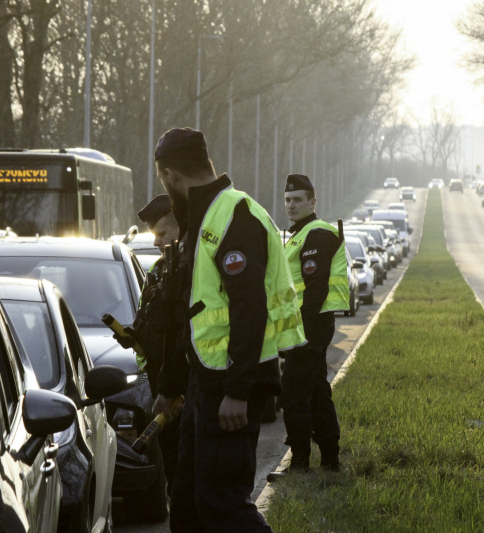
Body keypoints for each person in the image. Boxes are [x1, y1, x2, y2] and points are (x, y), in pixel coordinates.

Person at [152, 128, 305, 533]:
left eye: (163, 181)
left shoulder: (235, 215)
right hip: (203, 383)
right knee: (186, 504)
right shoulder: (198, 220)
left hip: (231, 386)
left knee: (221, 504)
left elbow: (249, 310)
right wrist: (169, 386)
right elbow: (188, 311)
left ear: (171, 176)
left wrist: (237, 391)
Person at [270, 174, 346, 478]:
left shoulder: (316, 234)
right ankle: (330, 460)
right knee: (315, 390)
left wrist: (298, 331)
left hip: (309, 325)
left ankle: (299, 462)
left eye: (298, 200)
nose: (291, 205)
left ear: (313, 202)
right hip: (306, 326)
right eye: (288, 200)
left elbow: (314, 291)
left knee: (293, 392)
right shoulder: (300, 234)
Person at [115, 193, 185, 492]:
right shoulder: (158, 270)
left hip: (187, 394)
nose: (156, 242)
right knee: (173, 477)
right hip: (162, 391)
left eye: (162, 234)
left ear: (183, 227)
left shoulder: (195, 268)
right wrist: (134, 338)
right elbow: (152, 323)